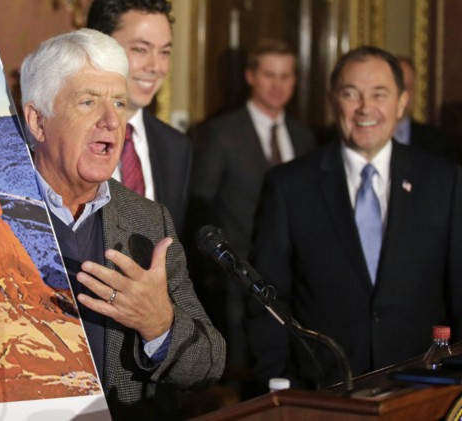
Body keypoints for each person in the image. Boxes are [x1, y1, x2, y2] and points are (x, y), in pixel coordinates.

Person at [20, 28, 225, 420]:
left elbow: (208, 365)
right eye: (88, 102)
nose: (111, 121)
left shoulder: (147, 222)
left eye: (119, 102)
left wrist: (159, 324)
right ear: (38, 121)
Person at [247, 45, 462, 390]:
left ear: (402, 102)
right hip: (321, 393)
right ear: (333, 100)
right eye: (351, 94)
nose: (365, 109)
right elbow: (267, 300)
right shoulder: (289, 186)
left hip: (421, 391)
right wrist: (280, 384)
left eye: (380, 94)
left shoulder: (443, 181)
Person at [189, 39, 315, 381]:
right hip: (237, 285)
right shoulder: (221, 133)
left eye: (286, 76)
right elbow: (199, 205)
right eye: (269, 75)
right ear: (250, 76)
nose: (278, 85)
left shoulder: (304, 138)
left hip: (296, 282)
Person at [86, 0, 193, 234]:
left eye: (164, 52)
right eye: (140, 49)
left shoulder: (176, 148)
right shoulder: (60, 137)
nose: (156, 66)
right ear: (98, 47)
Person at [393, 55, 457, 161]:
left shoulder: (438, 141)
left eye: (408, 87)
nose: (403, 94)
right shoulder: (364, 136)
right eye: (398, 86)